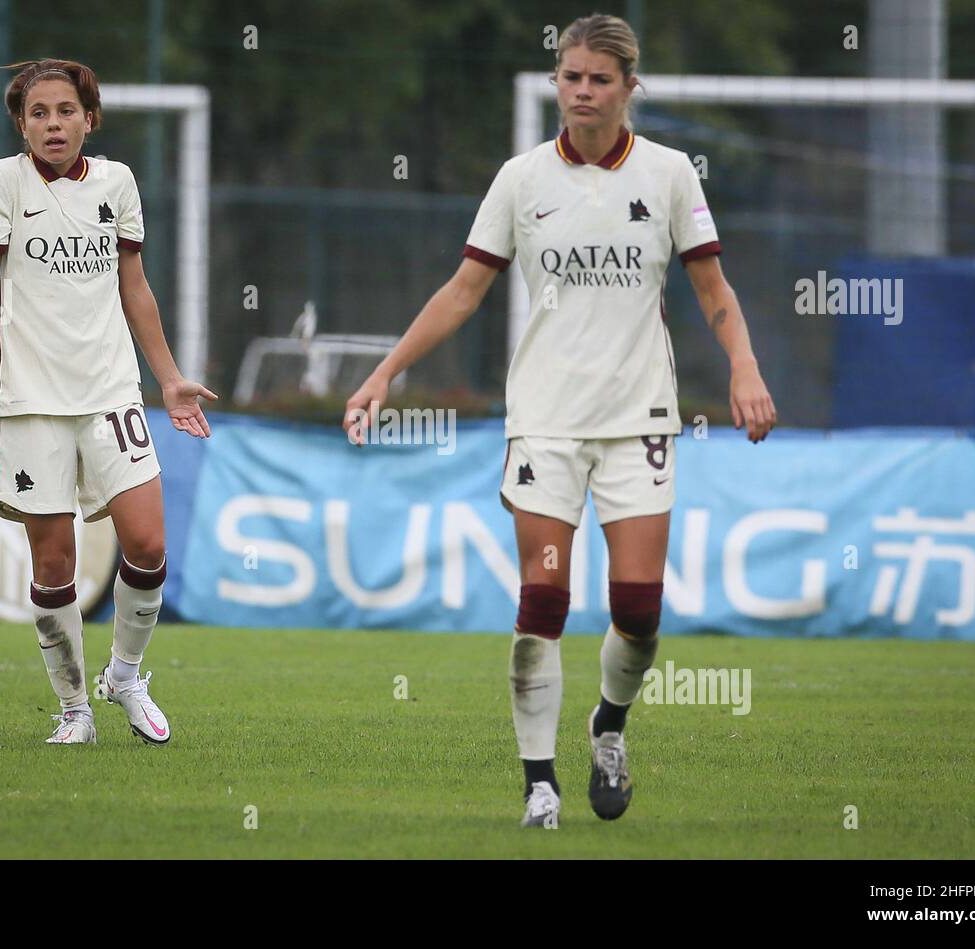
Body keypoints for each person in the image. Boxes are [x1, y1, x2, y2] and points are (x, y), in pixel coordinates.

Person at [343, 15, 776, 826]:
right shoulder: (521, 179)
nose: (581, 91)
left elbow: (713, 293)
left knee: (639, 613)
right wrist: (384, 371)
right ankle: (538, 780)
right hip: (543, 422)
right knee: (543, 595)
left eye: (598, 79)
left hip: (639, 419)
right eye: (570, 77)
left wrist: (744, 365)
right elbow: (463, 290)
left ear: (629, 87)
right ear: (556, 81)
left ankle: (607, 726)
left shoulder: (672, 173)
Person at [0, 58, 217, 745]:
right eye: (38, 112)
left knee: (148, 541)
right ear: (21, 123)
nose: (53, 123)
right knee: (54, 566)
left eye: (66, 111)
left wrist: (167, 376)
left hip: (110, 394)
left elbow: (134, 285)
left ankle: (125, 674)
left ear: (90, 119)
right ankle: (74, 708)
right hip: (29, 404)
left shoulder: (118, 183)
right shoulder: (1, 183)